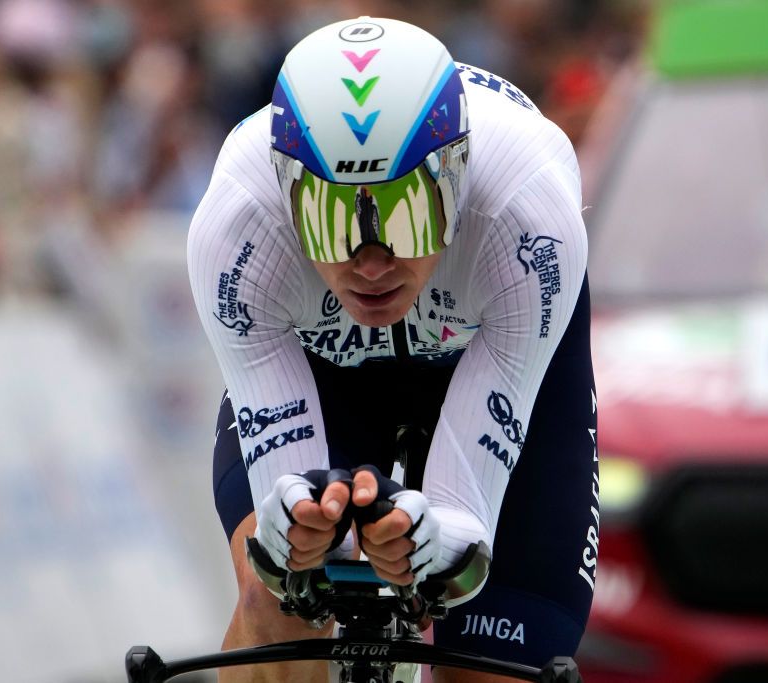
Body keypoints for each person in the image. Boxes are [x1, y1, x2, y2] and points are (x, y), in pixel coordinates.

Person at [187, 16, 598, 683]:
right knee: (278, 601)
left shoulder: (530, 215)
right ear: (288, 195)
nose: (369, 262)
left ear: (457, 179)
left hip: (490, 348)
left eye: (406, 212)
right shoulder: (238, 226)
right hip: (323, 368)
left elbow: (466, 526)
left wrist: (443, 543)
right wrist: (298, 536)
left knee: (496, 664)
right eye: (330, 219)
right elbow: (280, 528)